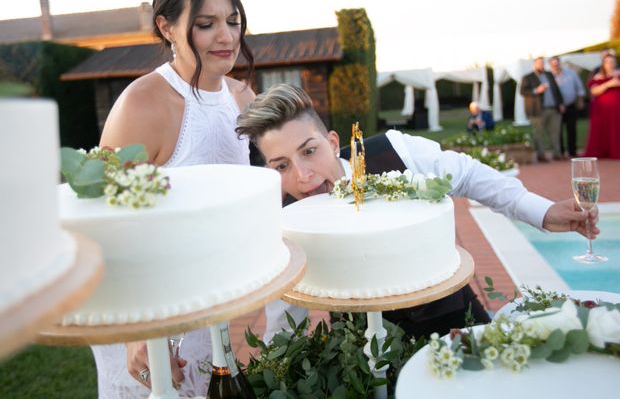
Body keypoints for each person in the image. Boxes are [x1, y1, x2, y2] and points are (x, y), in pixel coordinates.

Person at [235, 84, 599, 343]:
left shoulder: (393, 151)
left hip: (456, 325)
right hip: (363, 355)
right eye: (281, 165)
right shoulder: (284, 218)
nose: (303, 176)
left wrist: (543, 211)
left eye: (309, 151)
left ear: (332, 143)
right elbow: (285, 313)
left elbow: (469, 174)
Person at [97, 0, 255, 398]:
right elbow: (102, 225)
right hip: (140, 305)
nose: (226, 37)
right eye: (205, 24)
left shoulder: (243, 96)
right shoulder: (143, 104)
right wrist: (134, 332)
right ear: (167, 27)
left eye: (232, 19)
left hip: (207, 297)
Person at [583, 54, 620, 159]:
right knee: (604, 129)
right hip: (604, 109)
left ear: (615, 62)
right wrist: (608, 84)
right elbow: (594, 91)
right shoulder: (598, 76)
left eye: (612, 61)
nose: (610, 64)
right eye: (607, 62)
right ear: (603, 64)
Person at [520, 57, 565, 162]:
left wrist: (560, 103)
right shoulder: (528, 77)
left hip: (554, 109)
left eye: (542, 63)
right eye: (539, 63)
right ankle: (541, 155)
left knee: (555, 132)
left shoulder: (549, 75)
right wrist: (537, 90)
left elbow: (556, 89)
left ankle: (557, 154)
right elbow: (522, 91)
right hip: (538, 110)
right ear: (534, 64)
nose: (541, 65)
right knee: (539, 133)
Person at [549, 56, 586, 158]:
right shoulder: (549, 76)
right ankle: (560, 152)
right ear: (551, 65)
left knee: (572, 129)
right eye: (553, 64)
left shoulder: (571, 73)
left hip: (570, 105)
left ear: (560, 63)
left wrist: (581, 100)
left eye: (557, 63)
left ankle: (572, 152)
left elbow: (580, 88)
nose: (556, 66)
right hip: (556, 108)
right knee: (557, 130)